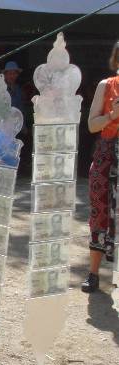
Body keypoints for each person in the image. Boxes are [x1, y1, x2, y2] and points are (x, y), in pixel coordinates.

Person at [82, 42, 119, 292]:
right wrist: (112, 116)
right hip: (108, 153)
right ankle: (93, 273)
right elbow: (92, 125)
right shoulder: (106, 86)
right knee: (100, 211)